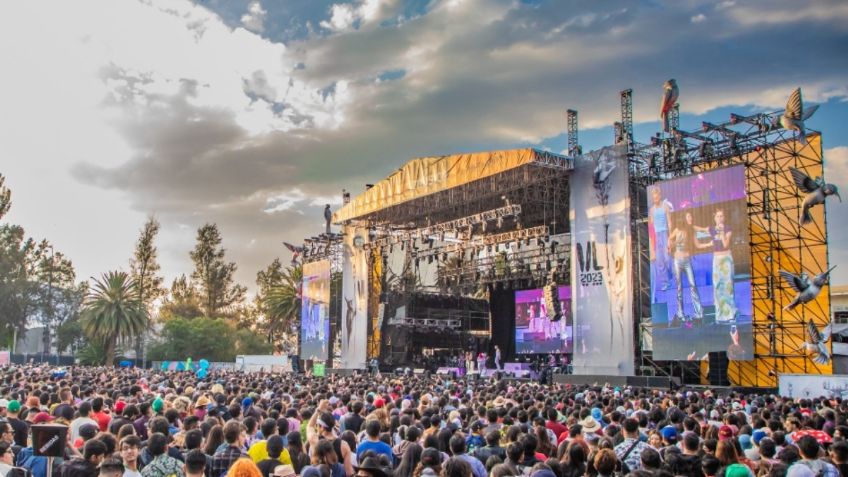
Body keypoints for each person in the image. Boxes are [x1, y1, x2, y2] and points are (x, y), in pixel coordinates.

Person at [668, 210, 703, 326]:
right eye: (688, 217)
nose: (690, 218)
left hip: (687, 261)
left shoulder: (690, 230)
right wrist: (670, 247)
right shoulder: (677, 230)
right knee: (679, 288)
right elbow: (670, 240)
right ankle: (680, 313)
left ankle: (698, 313)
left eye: (691, 217)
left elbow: (697, 241)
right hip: (677, 261)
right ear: (684, 218)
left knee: (693, 285)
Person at [649, 186, 674, 298]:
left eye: (657, 196)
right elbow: (651, 226)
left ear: (659, 196)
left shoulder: (665, 207)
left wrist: (670, 237)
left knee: (667, 258)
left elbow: (669, 222)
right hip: (656, 235)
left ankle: (670, 275)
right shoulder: (652, 210)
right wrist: (652, 242)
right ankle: (665, 282)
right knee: (659, 260)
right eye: (653, 196)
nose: (655, 198)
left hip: (664, 233)